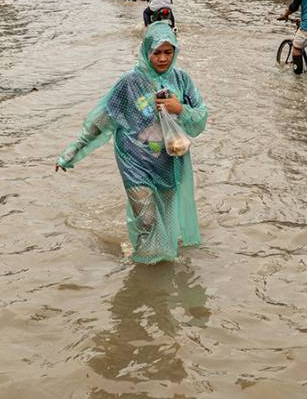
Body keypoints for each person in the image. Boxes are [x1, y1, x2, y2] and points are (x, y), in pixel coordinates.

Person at [55, 24, 208, 264]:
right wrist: (71, 153)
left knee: (166, 218)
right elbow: (101, 120)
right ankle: (144, 265)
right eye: (156, 52)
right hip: (134, 162)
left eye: (168, 52)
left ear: (175, 52)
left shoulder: (182, 81)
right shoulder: (129, 83)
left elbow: (201, 117)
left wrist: (180, 109)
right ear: (146, 51)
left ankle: (159, 262)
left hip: (169, 161)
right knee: (147, 218)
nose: (162, 58)